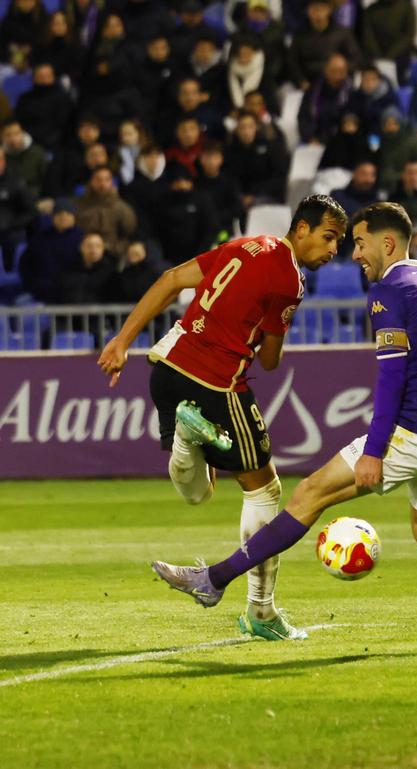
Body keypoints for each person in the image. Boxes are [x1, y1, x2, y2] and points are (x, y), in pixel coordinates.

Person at [149, 202, 417, 651]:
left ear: (388, 242)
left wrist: (376, 451)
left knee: (308, 494)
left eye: (359, 243)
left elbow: (392, 377)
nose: (354, 254)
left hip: (413, 431)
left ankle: (214, 580)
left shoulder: (389, 291)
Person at [96, 195, 349, 643]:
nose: (333, 250)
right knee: (266, 489)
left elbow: (173, 279)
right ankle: (261, 612)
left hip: (167, 367)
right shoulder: (290, 280)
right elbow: (269, 360)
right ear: (302, 229)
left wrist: (122, 340)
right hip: (216, 383)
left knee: (199, 493)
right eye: (329, 238)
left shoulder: (244, 245)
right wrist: (275, 335)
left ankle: (185, 443)